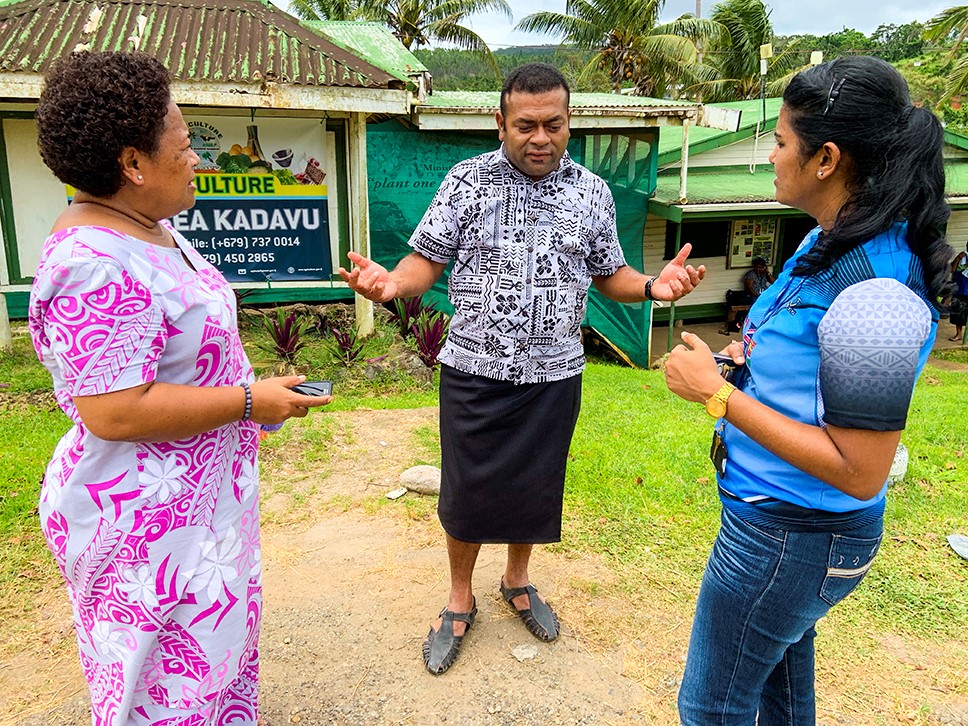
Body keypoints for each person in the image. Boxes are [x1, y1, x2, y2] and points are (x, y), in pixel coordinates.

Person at [339, 62, 705, 675]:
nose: (541, 138)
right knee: (466, 491)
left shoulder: (591, 192)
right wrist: (389, 283)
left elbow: (608, 275)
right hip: (474, 370)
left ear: (570, 122)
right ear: (500, 123)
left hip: (556, 374)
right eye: (526, 125)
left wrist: (652, 286)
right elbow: (424, 262)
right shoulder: (466, 182)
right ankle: (459, 599)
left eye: (554, 125)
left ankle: (517, 579)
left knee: (535, 487)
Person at [29, 51, 330, 724]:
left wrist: (253, 393)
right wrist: (251, 402)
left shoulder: (147, 228)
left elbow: (176, 361)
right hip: (141, 527)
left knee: (209, 674)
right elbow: (114, 411)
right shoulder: (95, 266)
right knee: (164, 692)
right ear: (134, 164)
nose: (198, 159)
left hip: (196, 512)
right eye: (187, 144)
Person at [664, 55, 952, 724]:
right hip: (783, 529)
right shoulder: (827, 242)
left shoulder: (874, 293)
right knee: (779, 694)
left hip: (791, 537)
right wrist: (743, 359)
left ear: (825, 158)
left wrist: (716, 395)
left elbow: (860, 469)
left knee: (710, 708)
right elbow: (803, 354)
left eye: (782, 140)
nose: (770, 155)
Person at [948, 241, 967, 342]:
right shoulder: (962, 257)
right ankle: (958, 334)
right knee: (957, 312)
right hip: (959, 289)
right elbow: (952, 270)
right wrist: (958, 259)